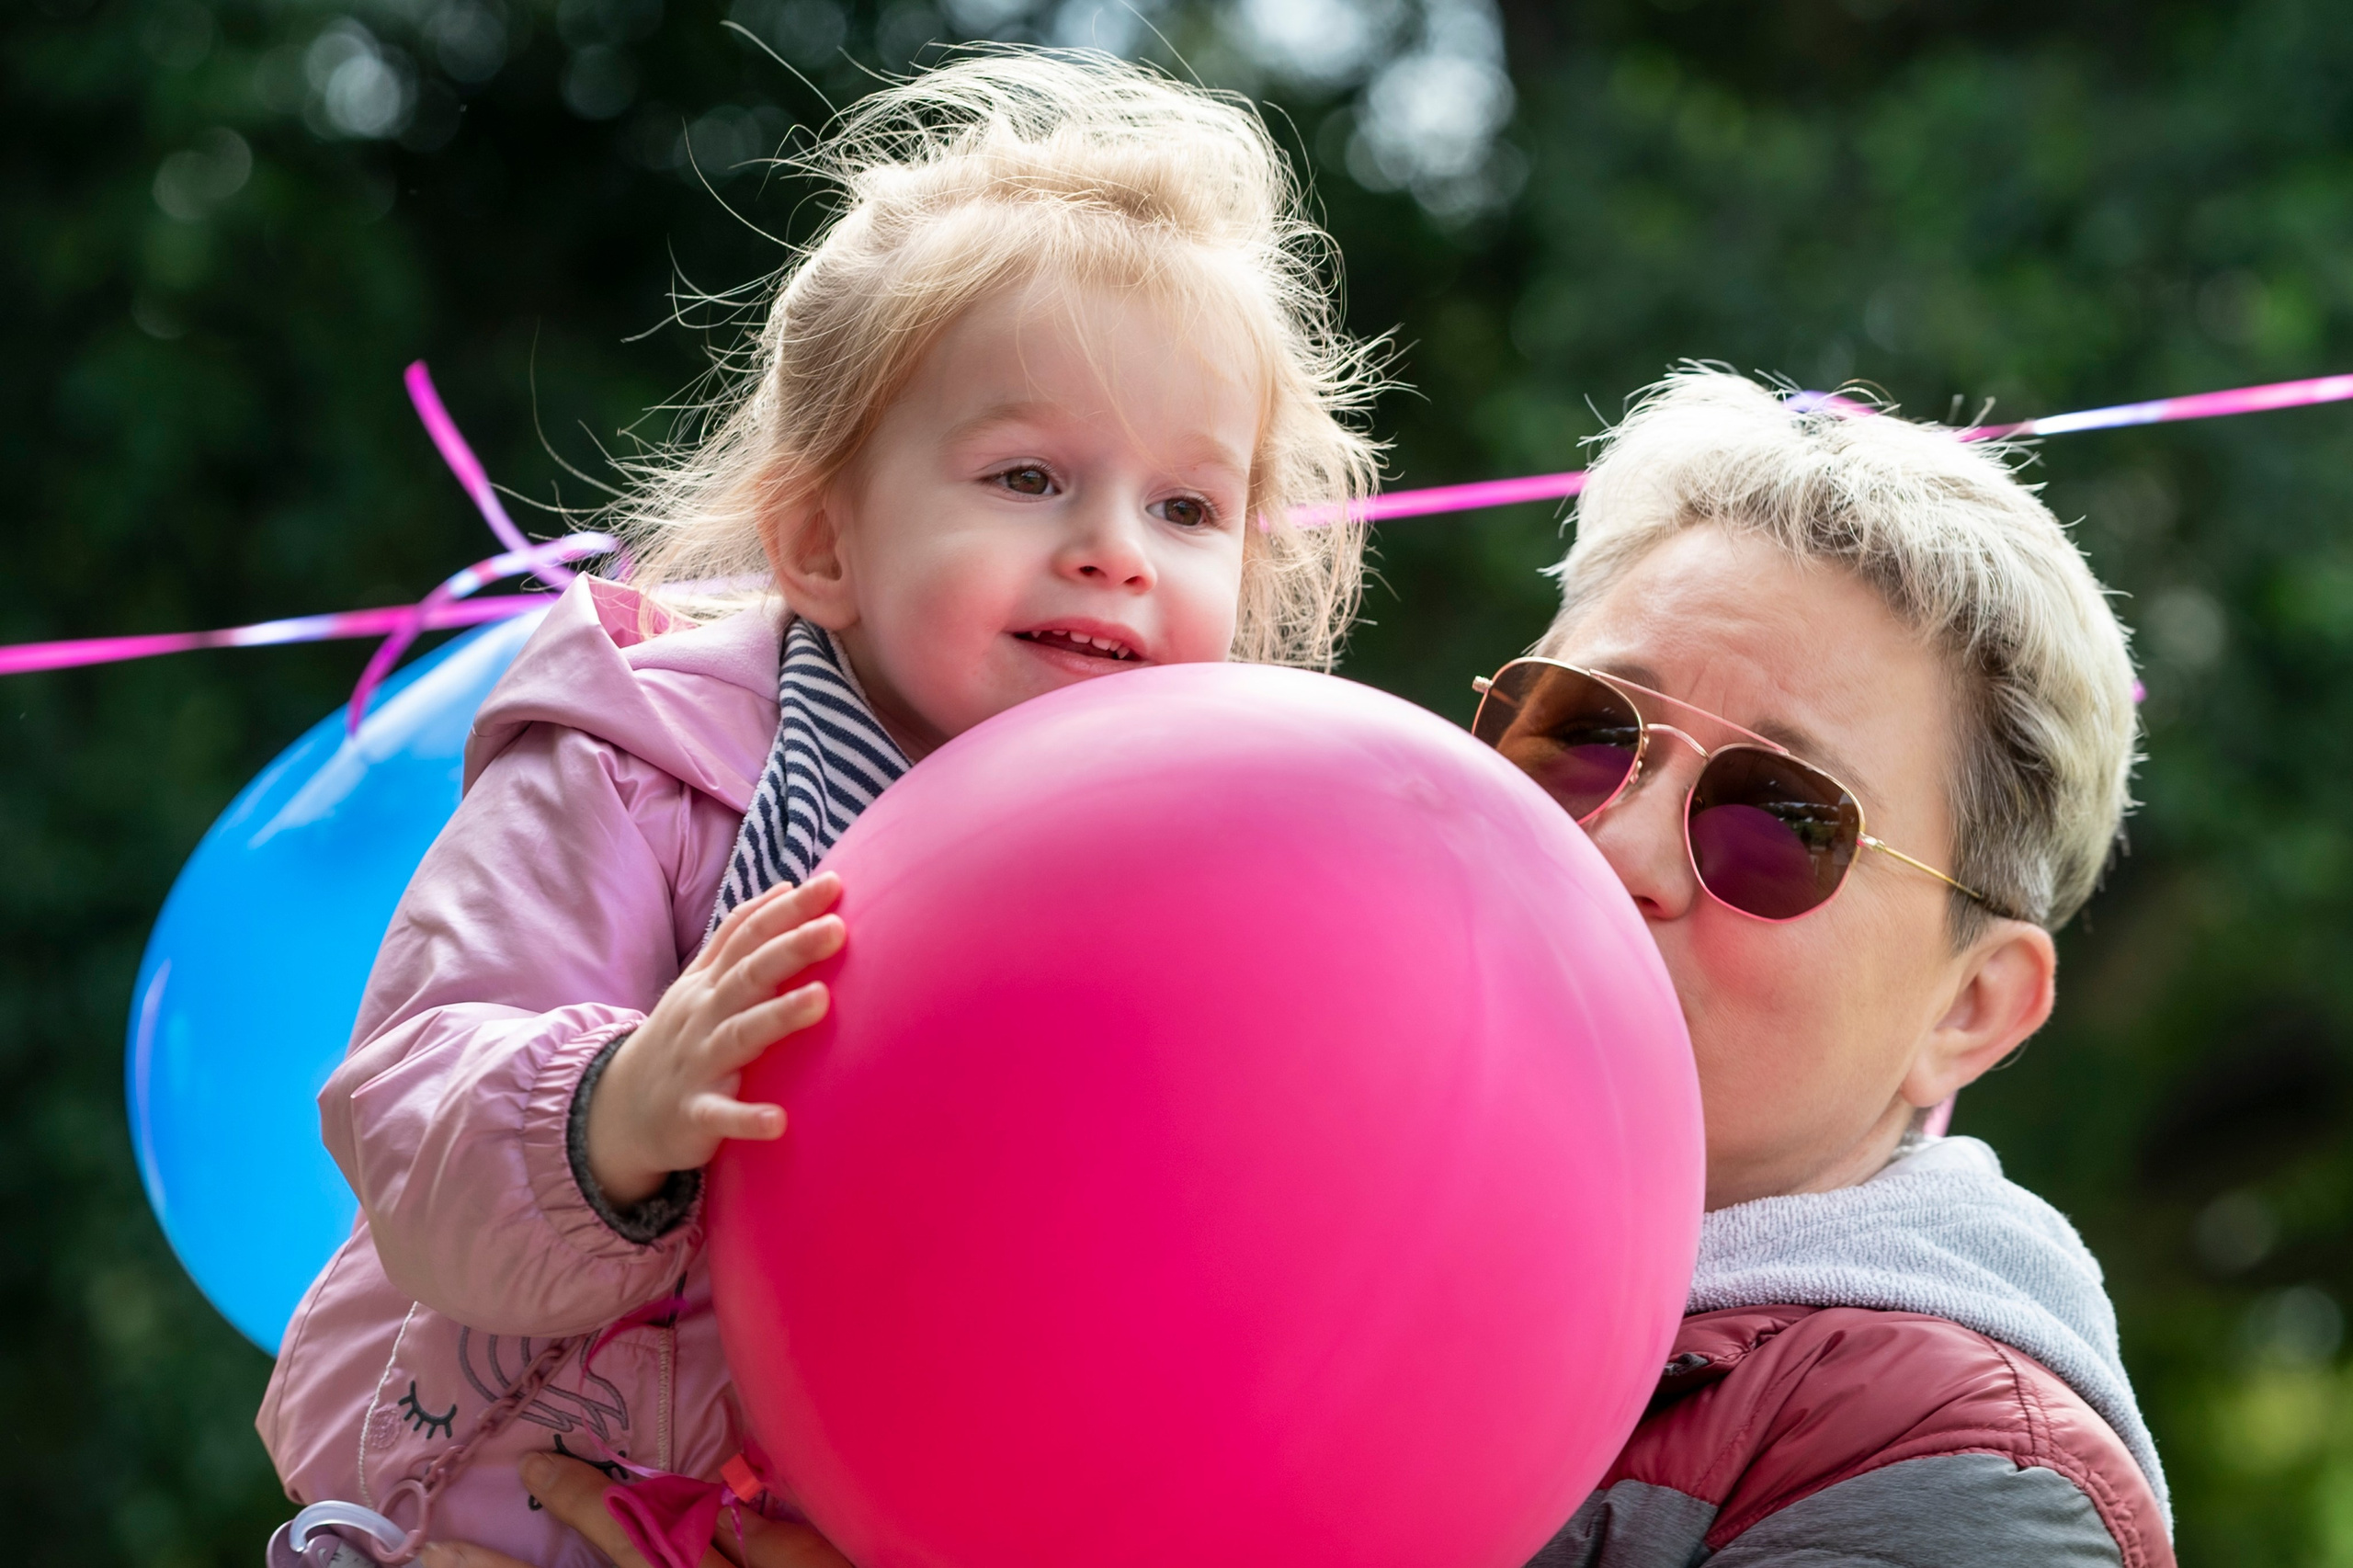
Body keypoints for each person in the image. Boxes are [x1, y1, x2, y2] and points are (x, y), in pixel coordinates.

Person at [257, 49, 1381, 1567]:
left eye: (1187, 507)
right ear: (821, 541)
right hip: (497, 1513)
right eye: (1030, 473)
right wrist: (616, 1109)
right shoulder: (634, 765)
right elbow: (411, 1115)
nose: (1118, 547)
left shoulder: (1210, 915)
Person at [1471, 369, 2169, 1564]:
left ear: (1971, 1006)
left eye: (1781, 819)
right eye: (1584, 733)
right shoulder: (1257, 1174)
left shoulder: (1958, 1470)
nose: (1621, 851)